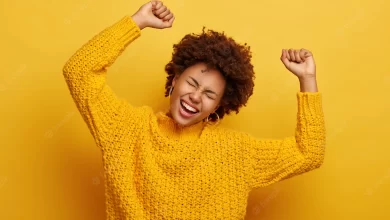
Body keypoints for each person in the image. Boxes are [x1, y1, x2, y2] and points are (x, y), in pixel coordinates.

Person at [62, 1, 326, 219]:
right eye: (192, 83)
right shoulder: (126, 129)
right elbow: (79, 72)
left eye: (210, 94)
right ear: (175, 80)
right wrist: (136, 22)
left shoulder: (236, 153)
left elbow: (309, 153)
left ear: (218, 105)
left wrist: (307, 78)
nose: (196, 97)